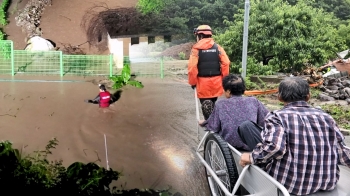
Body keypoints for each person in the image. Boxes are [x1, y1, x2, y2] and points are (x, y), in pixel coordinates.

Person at [239, 77, 350, 196]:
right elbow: (342, 151)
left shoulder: (276, 117)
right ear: (308, 96)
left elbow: (275, 147)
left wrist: (251, 157)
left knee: (247, 127)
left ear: (279, 97)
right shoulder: (326, 117)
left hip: (289, 185)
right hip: (327, 182)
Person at [198, 74, 269, 151]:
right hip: (250, 143)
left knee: (219, 124)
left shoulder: (221, 104)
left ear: (228, 91)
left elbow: (214, 126)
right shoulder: (253, 101)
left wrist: (205, 122)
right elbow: (264, 120)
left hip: (229, 144)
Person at [188, 24, 230, 119]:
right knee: (212, 104)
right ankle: (214, 123)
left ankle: (210, 125)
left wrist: (193, 82)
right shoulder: (218, 47)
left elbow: (192, 68)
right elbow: (226, 63)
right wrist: (224, 79)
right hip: (216, 83)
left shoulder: (196, 50)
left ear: (200, 36)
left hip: (202, 84)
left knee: (206, 107)